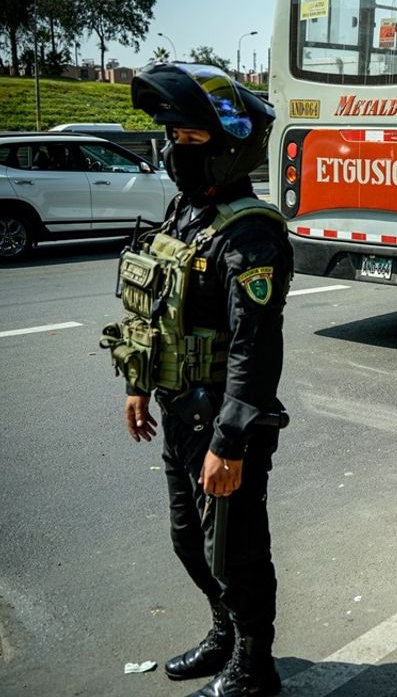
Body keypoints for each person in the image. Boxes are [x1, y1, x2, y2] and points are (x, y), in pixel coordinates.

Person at [100, 63, 291, 696]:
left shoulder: (251, 232)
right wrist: (136, 382)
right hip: (178, 411)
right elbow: (151, 308)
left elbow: (255, 348)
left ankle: (255, 664)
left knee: (235, 552)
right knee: (190, 540)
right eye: (172, 139)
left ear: (230, 147)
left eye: (191, 141)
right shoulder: (185, 212)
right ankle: (224, 633)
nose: (176, 152)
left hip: (224, 425)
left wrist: (230, 441)